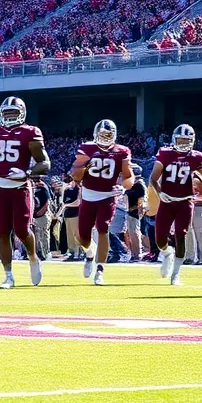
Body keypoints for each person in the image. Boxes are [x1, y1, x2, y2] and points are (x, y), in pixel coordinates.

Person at [0, 96, 50, 289]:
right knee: (2, 232)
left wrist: (27, 173)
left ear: (22, 114)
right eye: (7, 113)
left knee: (22, 230)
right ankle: (8, 275)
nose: (10, 117)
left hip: (20, 187)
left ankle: (33, 257)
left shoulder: (30, 132)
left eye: (14, 113)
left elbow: (45, 163)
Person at [71, 119, 135, 286]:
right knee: (82, 236)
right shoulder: (87, 148)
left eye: (109, 135)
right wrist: (84, 168)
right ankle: (90, 253)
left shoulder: (121, 151)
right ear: (96, 134)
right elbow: (75, 175)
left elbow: (128, 176)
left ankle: (100, 270)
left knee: (103, 227)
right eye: (102, 135)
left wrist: (124, 187)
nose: (105, 138)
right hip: (88, 195)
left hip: (108, 196)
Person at [149, 124, 202, 285]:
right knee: (160, 239)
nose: (183, 143)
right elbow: (153, 178)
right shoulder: (165, 153)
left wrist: (199, 180)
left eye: (186, 140)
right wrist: (161, 194)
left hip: (185, 202)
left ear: (192, 141)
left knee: (180, 236)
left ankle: (176, 274)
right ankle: (167, 253)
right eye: (180, 140)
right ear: (174, 139)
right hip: (167, 201)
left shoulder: (198, 157)